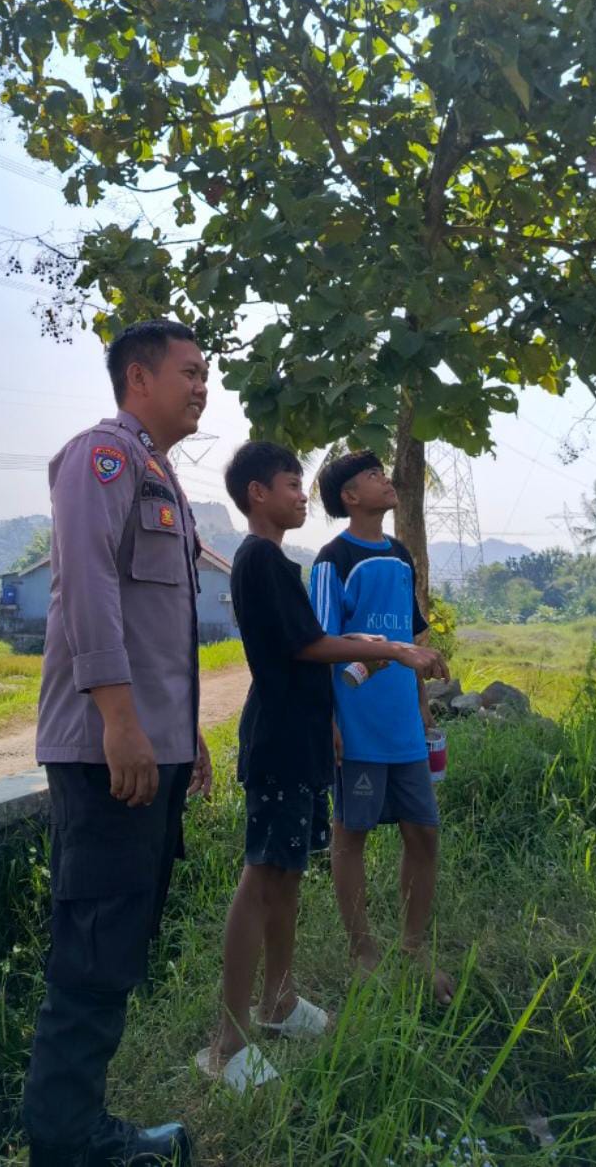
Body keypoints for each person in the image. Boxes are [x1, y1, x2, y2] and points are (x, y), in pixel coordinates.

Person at [198, 442, 448, 1090]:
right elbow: (308, 645)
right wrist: (396, 650)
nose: (299, 496)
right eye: (290, 484)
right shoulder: (259, 559)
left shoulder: (277, 561)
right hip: (279, 739)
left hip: (301, 740)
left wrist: (375, 646)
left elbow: (320, 641)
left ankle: (278, 1001)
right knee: (261, 877)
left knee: (287, 875)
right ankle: (228, 1039)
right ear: (257, 493)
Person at [23, 320, 214, 1167]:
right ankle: (66, 1142)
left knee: (118, 942)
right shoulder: (100, 457)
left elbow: (159, 625)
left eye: (205, 374)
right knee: (93, 951)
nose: (202, 386)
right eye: (189, 371)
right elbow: (87, 586)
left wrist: (180, 730)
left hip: (147, 745)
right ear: (139, 377)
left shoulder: (160, 473)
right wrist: (121, 720)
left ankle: (80, 1127)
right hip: (106, 752)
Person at [310, 451, 455, 1002]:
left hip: (403, 727)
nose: (385, 479)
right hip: (358, 726)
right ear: (349, 497)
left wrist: (421, 705)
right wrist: (329, 720)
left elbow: (409, 642)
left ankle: (413, 947)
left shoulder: (399, 556)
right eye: (372, 476)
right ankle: (362, 952)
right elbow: (320, 645)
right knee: (352, 835)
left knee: (424, 833)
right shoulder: (334, 560)